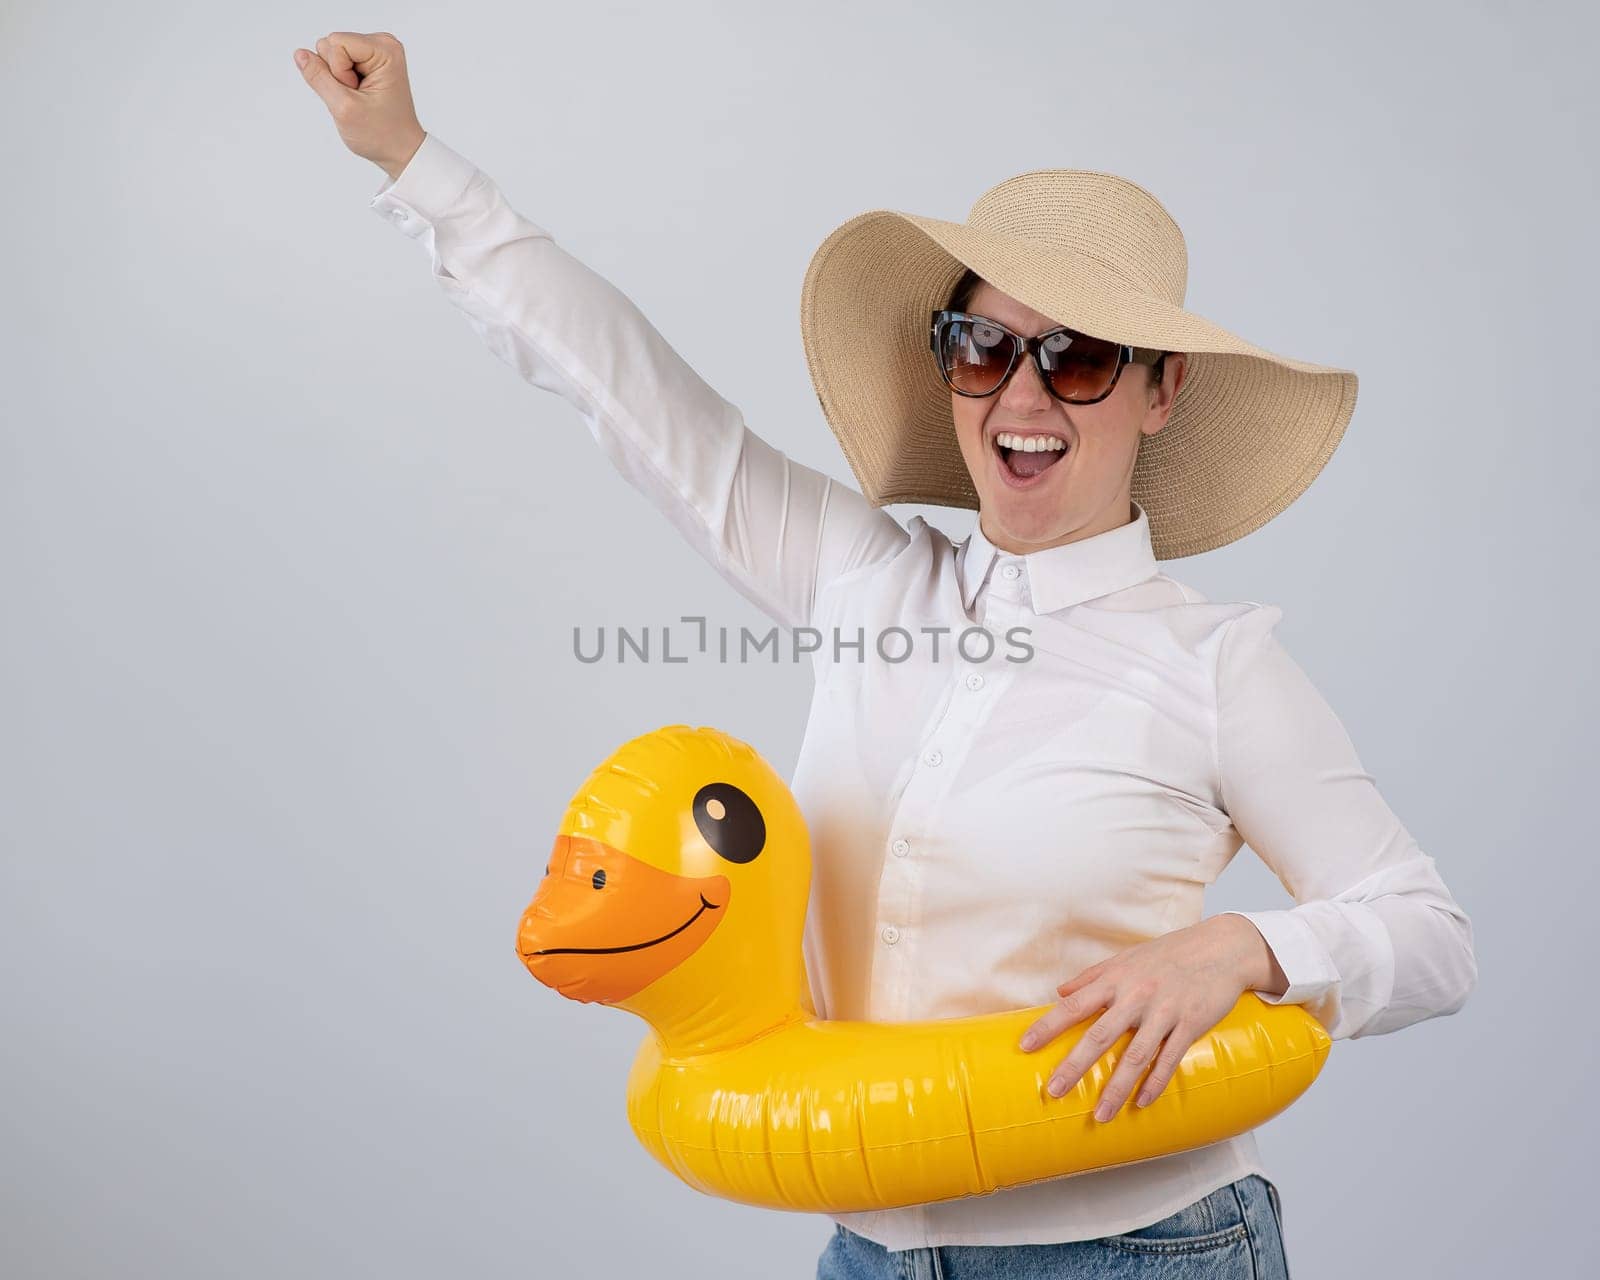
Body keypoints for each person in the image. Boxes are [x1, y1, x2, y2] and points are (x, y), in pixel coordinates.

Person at [295, 32, 1478, 1280]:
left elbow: (1429, 934)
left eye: (1075, 356)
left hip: (1139, 1252)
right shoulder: (864, 575)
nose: (1021, 399)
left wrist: (1247, 948)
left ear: (1160, 388)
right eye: (982, 347)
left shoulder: (1219, 666)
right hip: (870, 1249)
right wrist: (416, 166)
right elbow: (628, 390)